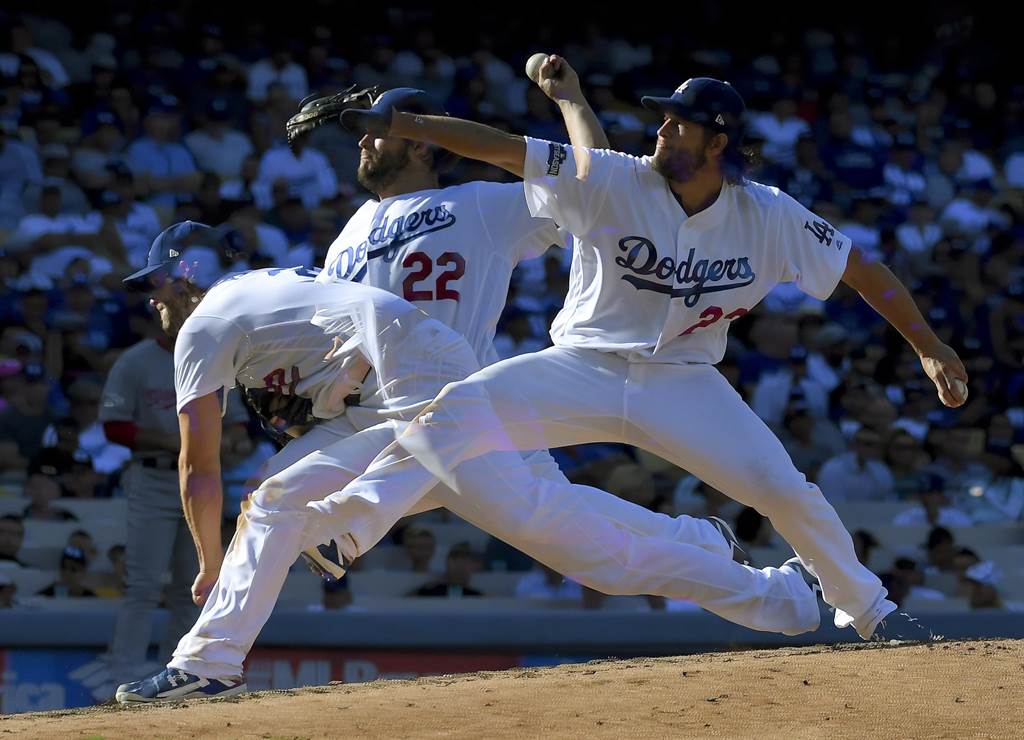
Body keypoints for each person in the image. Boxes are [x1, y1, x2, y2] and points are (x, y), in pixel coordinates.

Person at [321, 56, 969, 642]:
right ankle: (344, 523)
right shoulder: (616, 177)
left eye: (680, 123)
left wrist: (929, 344)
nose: (662, 129)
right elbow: (497, 148)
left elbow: (863, 270)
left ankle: (872, 612)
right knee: (453, 414)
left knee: (785, 489)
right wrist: (410, 123)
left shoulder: (769, 214)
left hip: (680, 380)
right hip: (581, 368)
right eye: (663, 117)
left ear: (718, 142)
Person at [115, 221, 819, 704]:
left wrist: (209, 561)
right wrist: (337, 393)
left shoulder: (204, 324)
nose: (152, 298)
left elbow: (197, 467)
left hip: (417, 380)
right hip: (410, 381)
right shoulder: (263, 292)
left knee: (597, 559)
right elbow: (365, 322)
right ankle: (710, 546)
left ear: (187, 275)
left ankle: (781, 600)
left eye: (157, 282)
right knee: (276, 497)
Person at [100, 267, 249, 685]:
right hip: (153, 479)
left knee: (194, 583)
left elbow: (237, 421)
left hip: (201, 480)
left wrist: (233, 441)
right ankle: (122, 671)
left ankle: (182, 670)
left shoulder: (215, 352)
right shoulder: (135, 361)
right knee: (143, 585)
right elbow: (114, 426)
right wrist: (174, 443)